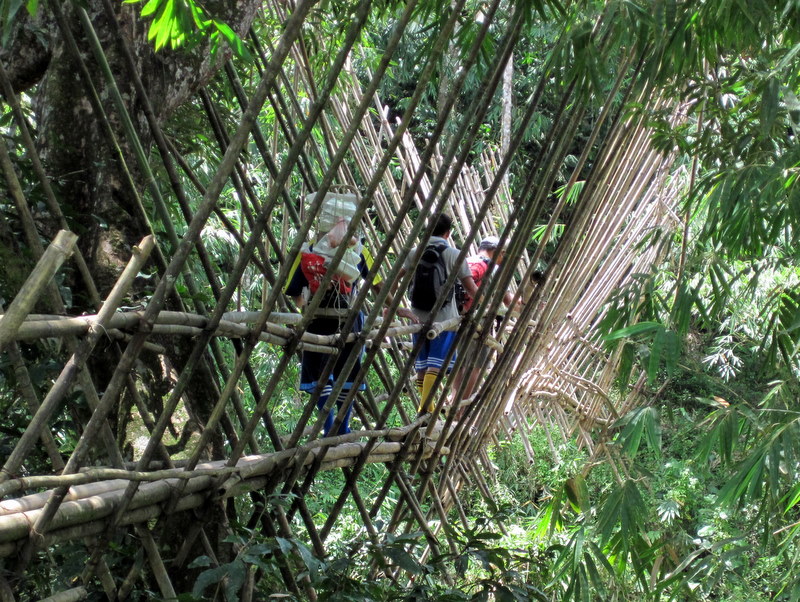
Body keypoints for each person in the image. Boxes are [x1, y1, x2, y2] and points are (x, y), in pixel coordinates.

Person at [285, 211, 416, 437]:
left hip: (316, 321)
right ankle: (342, 429)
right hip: (350, 322)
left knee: (319, 378)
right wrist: (397, 308)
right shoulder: (358, 250)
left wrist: (308, 304)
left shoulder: (307, 251)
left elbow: (295, 294)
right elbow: (379, 286)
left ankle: (329, 429)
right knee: (347, 376)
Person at [397, 214, 478, 415]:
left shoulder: (414, 252)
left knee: (423, 367)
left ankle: (427, 411)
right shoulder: (454, 254)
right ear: (448, 233)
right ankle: (424, 411)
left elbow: (393, 281)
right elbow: (471, 289)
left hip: (417, 317)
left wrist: (396, 308)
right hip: (445, 320)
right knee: (436, 366)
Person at [452, 235, 522, 413]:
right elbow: (509, 302)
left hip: (456, 316)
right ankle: (460, 410)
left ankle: (453, 404)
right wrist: (526, 304)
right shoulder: (494, 269)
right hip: (478, 321)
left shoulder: (466, 261)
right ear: (499, 252)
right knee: (475, 365)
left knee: (459, 364)